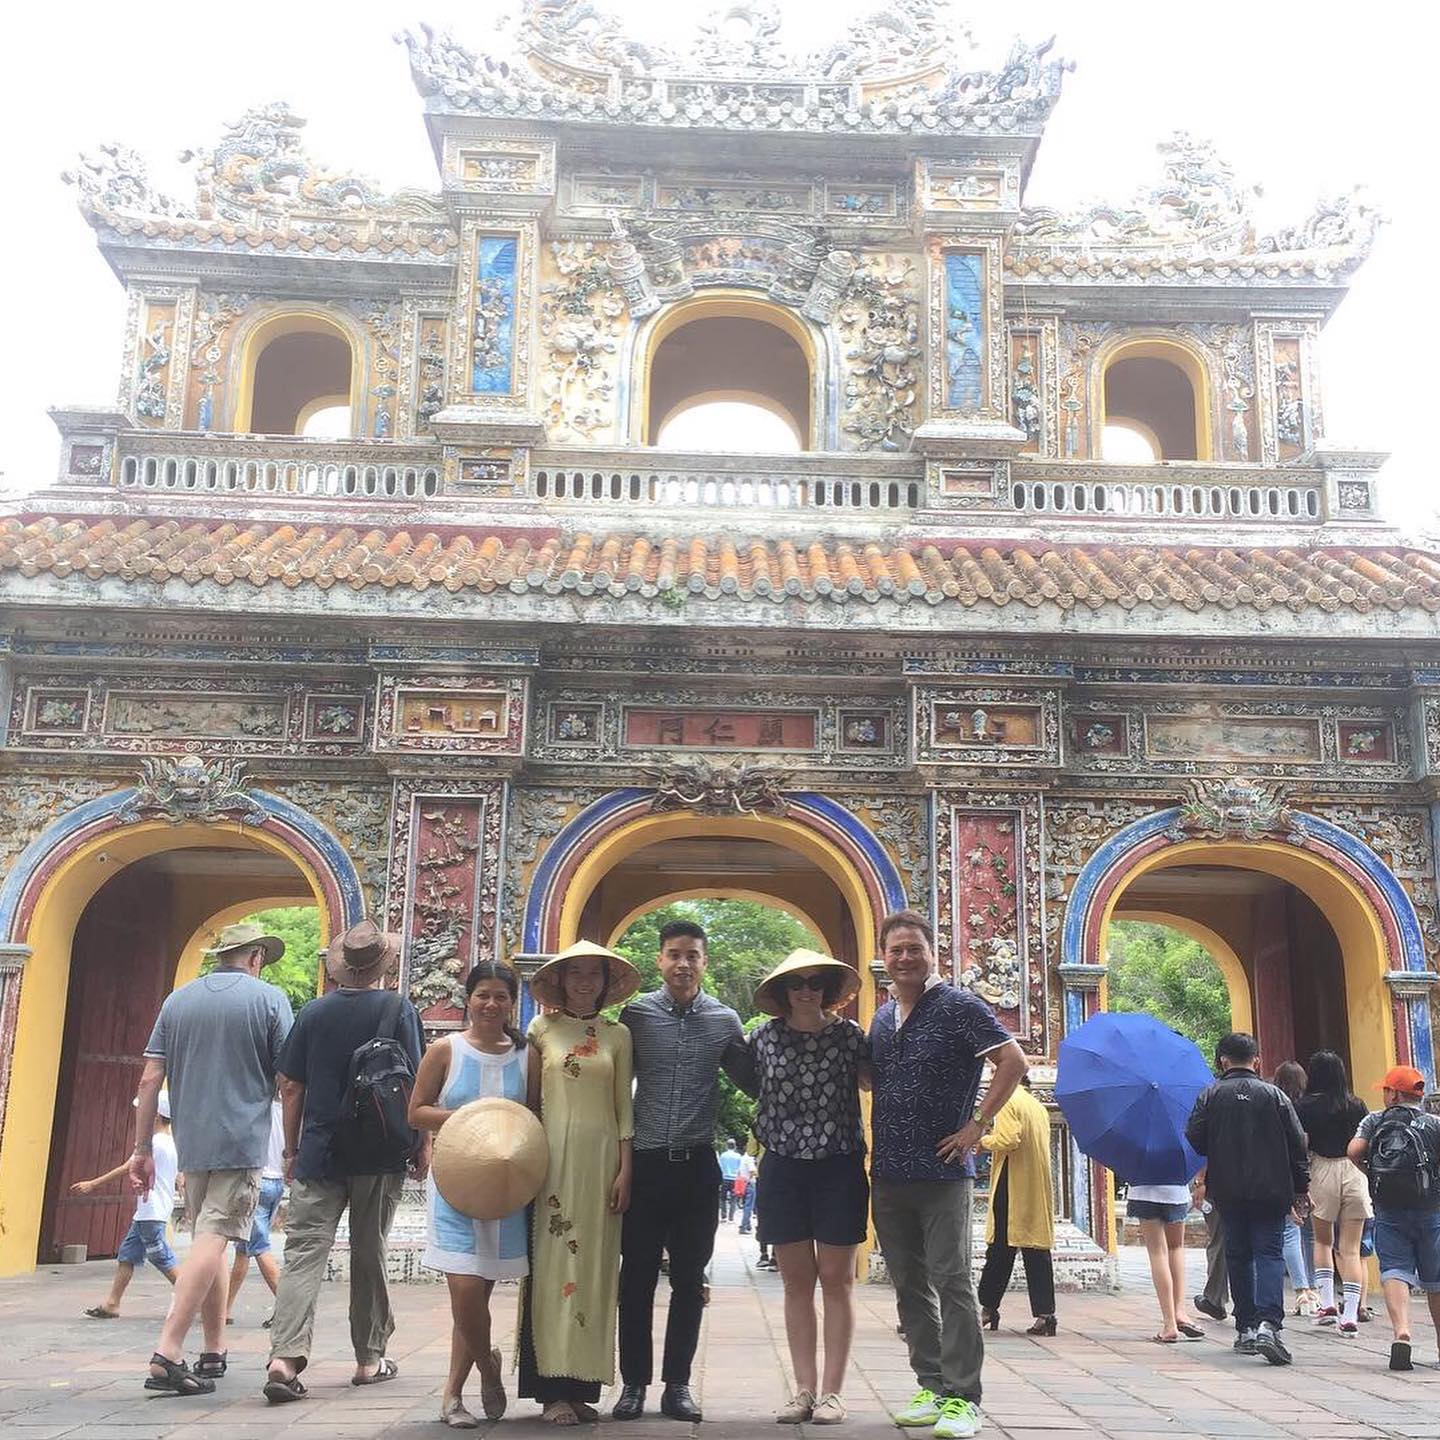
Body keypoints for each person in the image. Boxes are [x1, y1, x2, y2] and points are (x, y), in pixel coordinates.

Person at [870, 909, 1027, 1440]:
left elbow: (1013, 1060)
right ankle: (930, 1384)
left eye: (914, 947)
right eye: (896, 950)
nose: (905, 957)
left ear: (933, 951)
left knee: (952, 1279)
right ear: (884, 957)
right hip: (889, 1170)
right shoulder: (882, 1016)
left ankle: (963, 1396)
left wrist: (976, 1126)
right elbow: (872, 1077)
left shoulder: (959, 1006)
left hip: (942, 1170)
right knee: (909, 1283)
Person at [263, 920, 426, 1404]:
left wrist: (291, 1150)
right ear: (383, 964)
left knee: (304, 1253)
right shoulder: (399, 1009)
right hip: (380, 1150)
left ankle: (284, 1357)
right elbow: (416, 1084)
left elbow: (290, 1086)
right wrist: (423, 1145)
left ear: (340, 967)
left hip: (320, 1149)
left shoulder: (312, 1013)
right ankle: (368, 1357)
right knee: (369, 1249)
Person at [128, 921, 294, 1396]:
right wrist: (294, 1144)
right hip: (242, 1141)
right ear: (257, 957)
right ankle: (168, 1351)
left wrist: (142, 1150)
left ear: (222, 956)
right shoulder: (269, 1000)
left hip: (192, 1141)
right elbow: (288, 1078)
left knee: (211, 1237)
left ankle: (214, 1348)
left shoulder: (177, 1001)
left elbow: (148, 1079)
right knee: (218, 1235)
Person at [612, 918, 750, 1424]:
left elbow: (755, 1080)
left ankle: (678, 1385)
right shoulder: (636, 1016)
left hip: (697, 1165)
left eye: (692, 955)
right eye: (674, 954)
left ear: (704, 961)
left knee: (690, 1280)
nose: (682, 964)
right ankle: (632, 1385)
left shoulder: (725, 1019)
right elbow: (610, 1081)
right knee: (637, 1280)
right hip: (644, 1164)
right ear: (660, 960)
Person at [743, 948, 870, 1425]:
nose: (807, 991)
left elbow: (878, 1081)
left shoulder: (850, 1036)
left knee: (838, 1281)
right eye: (796, 983)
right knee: (797, 1283)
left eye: (815, 982)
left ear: (828, 989)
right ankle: (803, 1388)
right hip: (782, 1168)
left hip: (838, 1165)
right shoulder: (763, 1039)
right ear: (782, 991)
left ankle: (833, 1393)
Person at [517, 941, 639, 1426]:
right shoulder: (540, 1029)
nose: (585, 982)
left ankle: (582, 1385)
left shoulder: (618, 1034)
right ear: (561, 980)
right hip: (551, 1162)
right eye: (576, 974)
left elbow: (623, 1107)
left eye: (594, 974)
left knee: (595, 1270)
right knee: (550, 1268)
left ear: (606, 982)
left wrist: (626, 1168)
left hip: (603, 1161)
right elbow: (529, 1101)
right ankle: (550, 1391)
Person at [410, 960, 537, 1427]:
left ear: (512, 1002)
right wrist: (474, 1118)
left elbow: (535, 1117)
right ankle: (488, 1368)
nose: (491, 1004)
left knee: (479, 1298)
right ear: (469, 998)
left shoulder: (527, 1056)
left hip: (506, 1188)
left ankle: (451, 1398)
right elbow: (416, 1111)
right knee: (464, 1290)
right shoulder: (446, 1050)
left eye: (501, 996)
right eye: (483, 994)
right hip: (456, 1184)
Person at [1185, 1032, 1310, 1366]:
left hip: (1228, 1189)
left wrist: (1220, 1143)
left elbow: (1194, 1137)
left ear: (1223, 1061)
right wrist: (1301, 1188)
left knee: (1238, 1255)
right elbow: (1298, 1143)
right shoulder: (1275, 1095)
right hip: (1272, 1189)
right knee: (1269, 1254)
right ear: (1256, 1060)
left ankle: (1246, 1328)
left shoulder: (1210, 1095)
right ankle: (1271, 1324)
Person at [1346, 1064, 1440, 1372]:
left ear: (1393, 1094)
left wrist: (1371, 1174)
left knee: (1395, 1271)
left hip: (1388, 1209)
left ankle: (1402, 1331)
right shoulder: (1433, 1124)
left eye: (1385, 1090)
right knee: (1435, 1280)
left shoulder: (1375, 1121)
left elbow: (1354, 1150)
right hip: (1431, 1209)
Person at [76, 1091, 178, 1318]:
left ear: (156, 1116)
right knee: (128, 1254)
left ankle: (194, 1297)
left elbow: (126, 1168)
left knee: (160, 1257)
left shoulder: (152, 1144)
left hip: (151, 1210)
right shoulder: (170, 1143)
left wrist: (93, 1184)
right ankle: (112, 1303)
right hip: (150, 1210)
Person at [1295, 1050, 1369, 1334]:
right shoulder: (1356, 1105)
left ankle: (1327, 1303)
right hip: (1353, 1171)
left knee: (1322, 1242)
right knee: (1350, 1249)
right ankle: (1350, 1313)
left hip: (1321, 1169)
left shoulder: (1305, 1107)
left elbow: (1301, 1144)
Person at [977, 1076, 1057, 1337]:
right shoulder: (1036, 1106)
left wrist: (983, 1141)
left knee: (1000, 1247)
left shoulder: (1008, 1100)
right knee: (1036, 1250)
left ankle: (988, 1308)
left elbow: (1008, 1139)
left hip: (1012, 1186)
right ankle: (1046, 1315)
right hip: (1035, 1187)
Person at [227, 1094, 285, 1326]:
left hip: (255, 1183)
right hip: (276, 1182)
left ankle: (289, 1310)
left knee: (260, 1248)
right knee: (244, 1248)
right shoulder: (285, 1109)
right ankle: (225, 1308)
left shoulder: (253, 1108)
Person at [1127, 1175, 1205, 1344]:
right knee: (1176, 1248)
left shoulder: (1138, 1147)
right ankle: (1180, 1311)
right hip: (1176, 1191)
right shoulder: (1180, 1146)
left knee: (1157, 1253)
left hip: (1143, 1191)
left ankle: (1169, 1324)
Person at [1271, 1061, 1319, 1316]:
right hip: (1308, 1172)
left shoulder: (1273, 1104)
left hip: (1279, 1172)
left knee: (1289, 1232)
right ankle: (1312, 1287)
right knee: (1308, 1234)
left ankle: (1301, 1288)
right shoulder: (1307, 1106)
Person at [1192, 1166, 1230, 1322]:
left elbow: (1205, 1149)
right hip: (1255, 1182)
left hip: (1221, 1184)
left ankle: (1215, 1299)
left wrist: (1200, 1182)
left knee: (1219, 1242)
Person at [718, 1138, 743, 1223]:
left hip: (724, 1178)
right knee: (733, 1198)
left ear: (726, 1145)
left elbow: (720, 1167)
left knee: (723, 1198)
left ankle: (723, 1216)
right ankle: (731, 1218)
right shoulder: (738, 1156)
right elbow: (740, 1168)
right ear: (735, 1146)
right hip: (735, 1179)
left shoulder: (723, 1155)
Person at [737, 1147, 758, 1234]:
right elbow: (752, 1171)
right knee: (748, 1206)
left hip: (743, 1182)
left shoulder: (742, 1158)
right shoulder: (750, 1159)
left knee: (746, 1205)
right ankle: (743, 1226)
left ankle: (748, 1225)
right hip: (749, 1183)